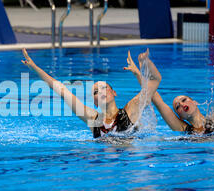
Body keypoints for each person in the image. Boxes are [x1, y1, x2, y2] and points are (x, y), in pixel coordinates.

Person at [124, 21, 214, 135]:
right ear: (180, 117)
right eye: (177, 107)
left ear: (195, 102)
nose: (182, 105)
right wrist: (138, 73)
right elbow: (157, 100)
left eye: (183, 100)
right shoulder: (182, 129)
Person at [21, 48, 162, 138]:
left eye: (104, 88)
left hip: (128, 163)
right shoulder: (93, 119)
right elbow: (62, 91)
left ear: (114, 92)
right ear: (95, 102)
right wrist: (34, 68)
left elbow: (155, 80)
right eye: (96, 91)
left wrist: (143, 65)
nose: (100, 92)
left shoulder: (131, 110)